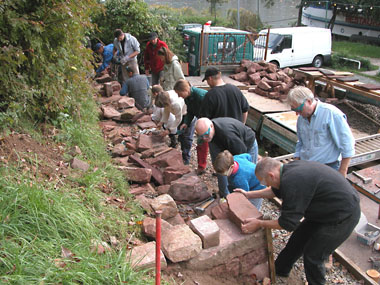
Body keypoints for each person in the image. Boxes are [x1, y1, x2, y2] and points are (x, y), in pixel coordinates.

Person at [237, 157, 360, 285]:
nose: (266, 185)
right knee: (298, 239)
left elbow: (287, 223)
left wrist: (259, 223)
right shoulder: (286, 170)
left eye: (264, 182)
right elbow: (273, 191)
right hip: (325, 208)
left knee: (314, 255)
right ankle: (280, 269)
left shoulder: (293, 183)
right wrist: (248, 194)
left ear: (271, 175)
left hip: (343, 216)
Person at [287, 86, 355, 177]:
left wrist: (342, 172)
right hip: (306, 167)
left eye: (299, 109)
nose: (297, 113)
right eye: (294, 110)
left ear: (308, 101)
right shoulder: (301, 119)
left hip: (327, 168)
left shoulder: (331, 114)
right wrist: (296, 161)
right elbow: (301, 142)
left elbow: (347, 144)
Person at [195, 117, 258, 198]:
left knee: (243, 174)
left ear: (211, 126)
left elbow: (243, 156)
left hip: (247, 144)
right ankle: (225, 195)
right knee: (224, 169)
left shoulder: (228, 135)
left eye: (206, 135)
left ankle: (247, 198)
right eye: (201, 136)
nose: (204, 138)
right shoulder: (210, 133)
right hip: (224, 142)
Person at [174, 79, 208, 173]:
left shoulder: (200, 96)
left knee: (212, 144)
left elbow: (209, 111)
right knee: (201, 144)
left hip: (210, 120)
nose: (178, 96)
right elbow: (190, 112)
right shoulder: (187, 97)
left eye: (179, 93)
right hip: (202, 119)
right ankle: (201, 167)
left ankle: (219, 168)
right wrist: (186, 123)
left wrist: (201, 126)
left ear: (185, 90)